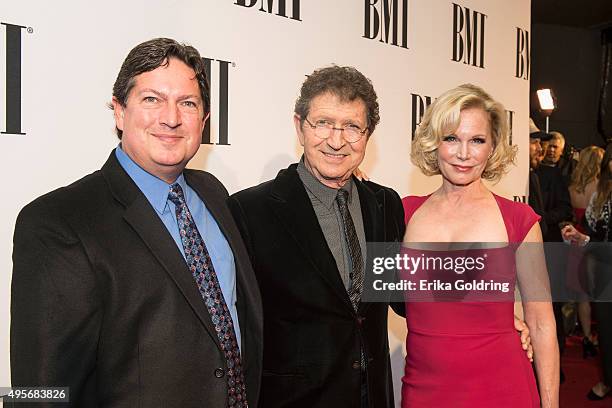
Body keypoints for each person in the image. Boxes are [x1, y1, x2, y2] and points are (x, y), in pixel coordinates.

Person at [10, 38, 262, 407]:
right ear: (118, 111)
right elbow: (36, 394)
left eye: (187, 103)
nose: (171, 118)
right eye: (151, 99)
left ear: (204, 120)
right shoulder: (57, 221)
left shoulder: (214, 194)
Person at [227, 65, 405, 407]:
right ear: (299, 126)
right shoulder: (251, 211)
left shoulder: (383, 203)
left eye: (352, 127)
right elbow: (239, 327)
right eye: (323, 123)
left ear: (368, 134)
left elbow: (399, 294)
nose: (336, 141)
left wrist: (500, 309)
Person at [402, 84, 559, 407]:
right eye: (451, 138)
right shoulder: (402, 213)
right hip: (424, 390)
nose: (463, 153)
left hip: (503, 387)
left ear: (492, 148)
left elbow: (541, 322)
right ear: (434, 142)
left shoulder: (518, 220)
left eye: (477, 140)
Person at [562, 143, 612, 401]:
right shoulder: (600, 195)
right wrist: (580, 237)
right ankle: (606, 380)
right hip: (605, 271)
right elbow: (597, 237)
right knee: (605, 330)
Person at [568, 145, 604, 357]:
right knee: (600, 293)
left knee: (583, 295)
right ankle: (599, 336)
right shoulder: (601, 188)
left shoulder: (573, 187)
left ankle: (587, 337)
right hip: (594, 242)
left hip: (576, 243)